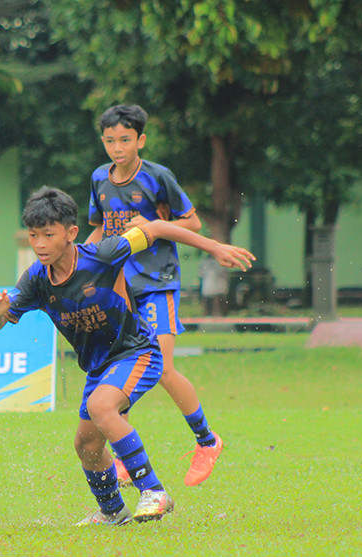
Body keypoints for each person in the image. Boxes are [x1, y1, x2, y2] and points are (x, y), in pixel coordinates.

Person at [0, 187, 253, 526]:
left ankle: (153, 491)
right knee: (86, 444)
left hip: (136, 353)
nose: (39, 244)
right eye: (33, 235)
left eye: (48, 235)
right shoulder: (37, 279)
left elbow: (155, 229)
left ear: (70, 234)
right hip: (99, 368)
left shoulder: (103, 254)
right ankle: (113, 511)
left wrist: (214, 246)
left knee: (101, 407)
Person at [86, 103, 225, 488]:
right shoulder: (99, 178)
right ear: (103, 141)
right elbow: (98, 231)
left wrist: (154, 225)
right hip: (119, 291)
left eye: (125, 140)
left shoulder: (157, 177)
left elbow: (192, 221)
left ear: (140, 140)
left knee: (162, 369)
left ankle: (207, 441)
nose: (118, 148)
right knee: (116, 372)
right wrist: (80, 263)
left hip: (157, 283)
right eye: (111, 141)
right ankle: (126, 461)